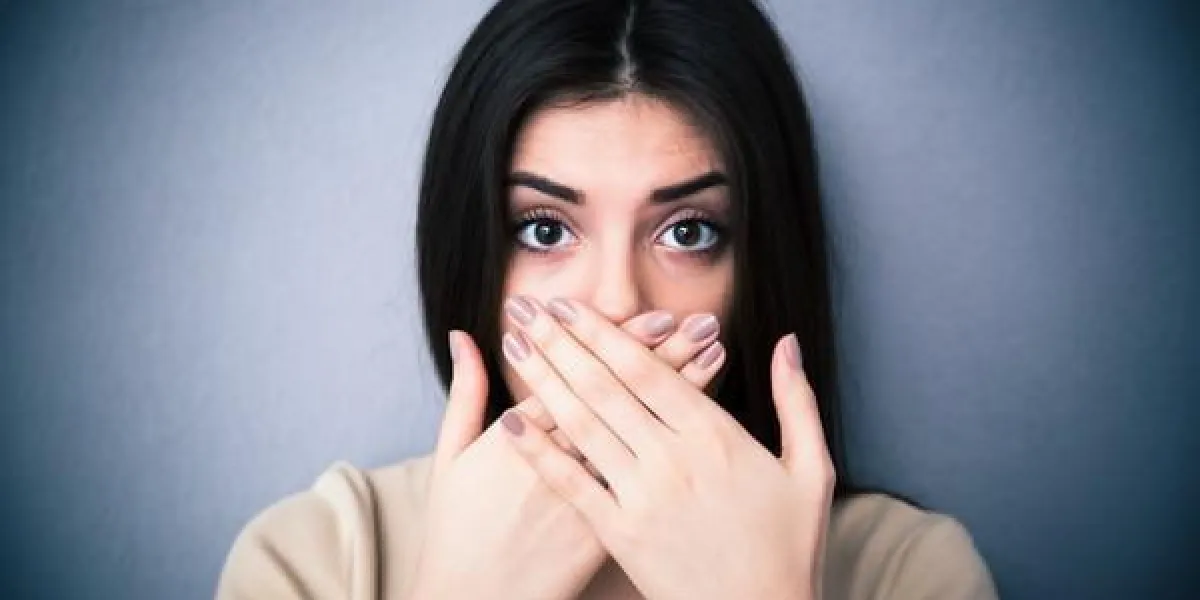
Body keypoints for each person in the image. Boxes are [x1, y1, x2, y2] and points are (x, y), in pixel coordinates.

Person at [217, 0, 998, 598]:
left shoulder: (906, 571)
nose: (618, 303)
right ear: (469, 255)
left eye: (689, 231)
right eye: (545, 230)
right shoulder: (318, 559)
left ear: (762, 260)